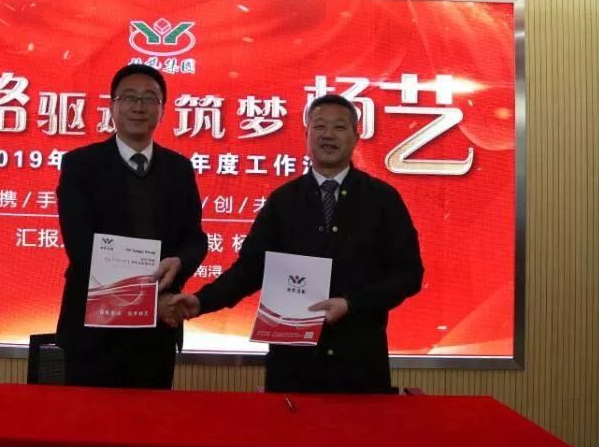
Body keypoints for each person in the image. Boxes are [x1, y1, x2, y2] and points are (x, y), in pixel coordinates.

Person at [167, 94, 423, 393]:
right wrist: (201, 301)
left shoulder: (382, 199)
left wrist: (351, 303)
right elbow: (250, 269)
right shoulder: (283, 200)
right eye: (319, 126)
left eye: (339, 127)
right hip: (293, 366)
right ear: (307, 134)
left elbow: (409, 274)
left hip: (359, 363)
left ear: (356, 136)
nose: (328, 135)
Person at [55, 64, 207, 389]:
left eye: (150, 99)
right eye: (129, 97)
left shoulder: (179, 169)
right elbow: (80, 246)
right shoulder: (81, 165)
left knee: (149, 419)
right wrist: (146, 298)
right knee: (88, 418)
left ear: (162, 111)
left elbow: (195, 238)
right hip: (93, 329)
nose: (139, 107)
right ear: (112, 106)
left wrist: (180, 262)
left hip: (156, 330)